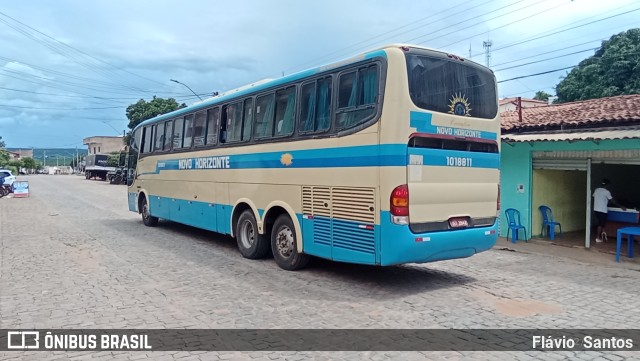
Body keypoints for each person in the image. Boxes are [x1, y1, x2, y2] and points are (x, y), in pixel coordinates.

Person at [592, 178, 625, 243]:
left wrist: (601, 202)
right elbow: (613, 201)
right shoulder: (607, 192)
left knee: (602, 223)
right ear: (607, 185)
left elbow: (594, 197)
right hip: (602, 210)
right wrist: (621, 206)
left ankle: (603, 234)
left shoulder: (596, 190)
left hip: (596, 209)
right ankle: (597, 238)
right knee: (600, 224)